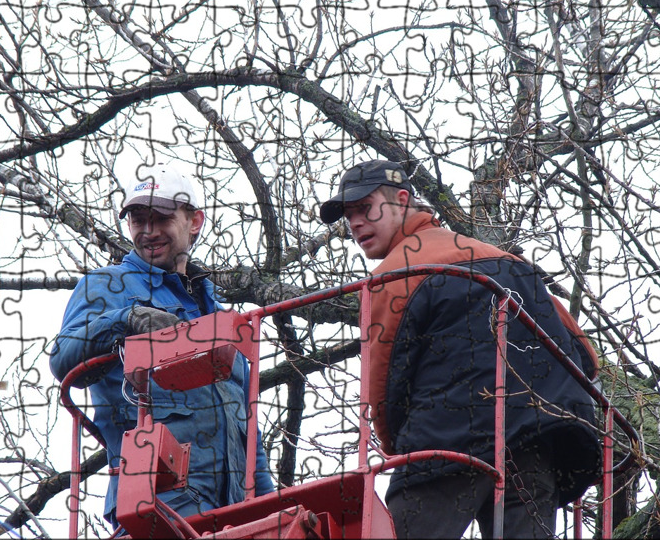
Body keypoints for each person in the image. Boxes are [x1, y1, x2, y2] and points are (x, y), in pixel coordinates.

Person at [319, 160, 601, 539]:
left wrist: (395, 451)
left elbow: (382, 384)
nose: (354, 223)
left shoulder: (395, 274)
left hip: (443, 447)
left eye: (364, 208)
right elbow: (585, 356)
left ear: (403, 200)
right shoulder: (509, 263)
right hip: (534, 448)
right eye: (348, 215)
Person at [50, 163, 274, 528]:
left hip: (232, 518)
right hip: (158, 508)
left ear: (195, 221)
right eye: (138, 220)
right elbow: (63, 359)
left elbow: (252, 446)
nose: (149, 231)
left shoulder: (222, 322)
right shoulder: (108, 286)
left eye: (161, 218)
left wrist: (271, 514)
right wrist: (126, 320)